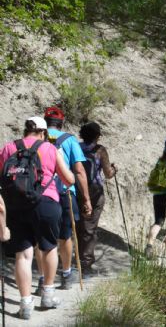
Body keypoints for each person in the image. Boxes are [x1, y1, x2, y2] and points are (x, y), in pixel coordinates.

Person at [0, 117, 75, 319]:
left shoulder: (9, 147)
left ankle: (25, 305)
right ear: (42, 133)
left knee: (23, 255)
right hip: (46, 202)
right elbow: (69, 179)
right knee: (48, 247)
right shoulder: (50, 149)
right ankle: (47, 295)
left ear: (25, 131)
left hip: (16, 205)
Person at [41, 106, 91, 290]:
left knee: (43, 237)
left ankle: (43, 277)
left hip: (42, 194)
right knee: (65, 236)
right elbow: (78, 170)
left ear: (45, 122)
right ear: (62, 123)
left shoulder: (39, 139)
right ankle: (66, 273)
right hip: (65, 192)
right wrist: (86, 199)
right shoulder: (69, 140)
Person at [77, 122, 117, 276]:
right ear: (97, 136)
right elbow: (108, 174)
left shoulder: (76, 146)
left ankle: (76, 260)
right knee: (90, 227)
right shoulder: (100, 150)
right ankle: (85, 264)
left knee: (79, 224)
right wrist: (114, 169)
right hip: (94, 191)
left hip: (77, 189)